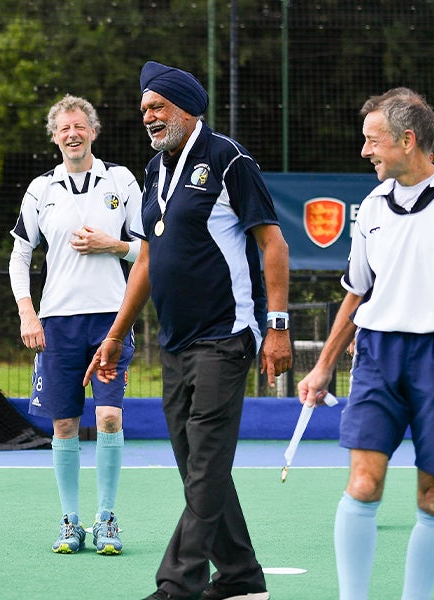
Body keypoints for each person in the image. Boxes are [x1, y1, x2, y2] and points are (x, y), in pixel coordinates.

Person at [85, 61, 292, 600]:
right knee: (197, 466)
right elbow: (146, 261)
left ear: (186, 108)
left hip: (226, 336)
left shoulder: (228, 159)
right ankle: (241, 577)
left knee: (204, 464)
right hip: (175, 343)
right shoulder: (155, 170)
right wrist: (115, 336)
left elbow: (273, 244)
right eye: (144, 109)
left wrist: (277, 327)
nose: (148, 117)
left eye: (157, 106)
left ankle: (177, 584)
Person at [297, 88, 434, 600]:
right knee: (363, 484)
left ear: (407, 140)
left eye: (372, 140)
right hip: (378, 355)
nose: (364, 151)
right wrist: (323, 366)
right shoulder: (372, 207)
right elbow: (357, 293)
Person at [8, 94, 142, 556]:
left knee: (108, 417)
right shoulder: (40, 189)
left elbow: (148, 250)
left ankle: (106, 518)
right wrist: (27, 311)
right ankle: (70, 521)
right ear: (54, 136)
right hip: (57, 324)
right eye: (64, 128)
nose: (72, 134)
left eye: (79, 126)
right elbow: (20, 255)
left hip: (110, 321)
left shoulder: (121, 180)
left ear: (93, 131)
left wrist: (113, 245)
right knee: (64, 425)